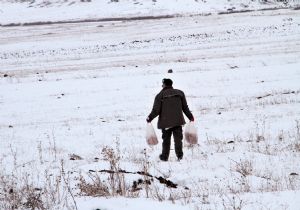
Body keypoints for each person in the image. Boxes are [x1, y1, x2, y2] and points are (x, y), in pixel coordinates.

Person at [147, 78, 194, 161]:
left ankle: (164, 157)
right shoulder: (180, 93)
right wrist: (190, 116)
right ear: (171, 84)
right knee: (178, 139)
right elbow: (185, 108)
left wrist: (150, 117)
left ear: (164, 85)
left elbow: (156, 110)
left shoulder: (160, 95)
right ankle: (180, 156)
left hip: (165, 123)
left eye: (162, 84)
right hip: (178, 121)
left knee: (166, 140)